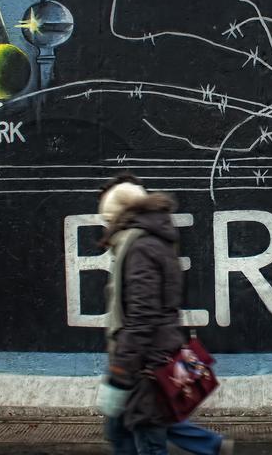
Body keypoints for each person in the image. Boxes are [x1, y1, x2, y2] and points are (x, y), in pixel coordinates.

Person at [96, 174, 233, 455]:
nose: (107, 228)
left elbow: (142, 316)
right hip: (149, 355)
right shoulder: (154, 241)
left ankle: (214, 446)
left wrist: (122, 368)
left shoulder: (139, 247)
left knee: (148, 435)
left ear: (119, 217)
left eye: (108, 221)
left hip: (145, 361)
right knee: (122, 429)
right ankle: (214, 446)